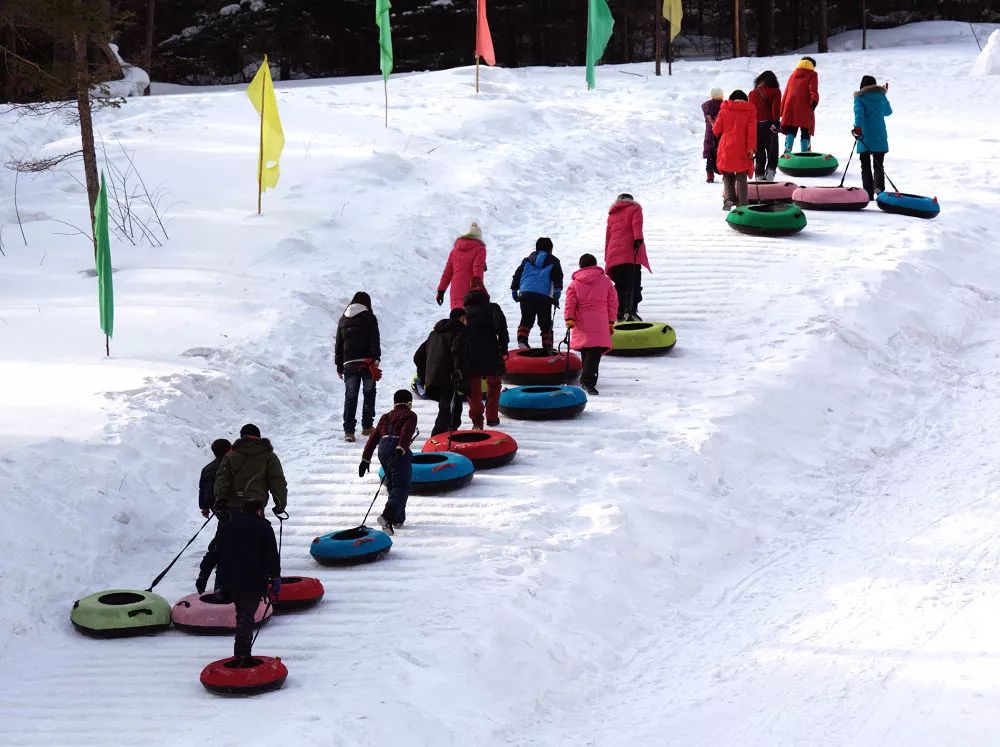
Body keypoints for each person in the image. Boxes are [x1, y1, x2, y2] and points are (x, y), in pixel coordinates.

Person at [215, 500, 280, 659]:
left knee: (242, 613)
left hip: (228, 579)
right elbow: (271, 555)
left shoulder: (226, 526)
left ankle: (242, 651)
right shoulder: (264, 527)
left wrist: (203, 576)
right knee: (246, 615)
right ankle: (242, 654)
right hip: (252, 579)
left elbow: (215, 552)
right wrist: (276, 577)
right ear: (259, 511)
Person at [358, 389, 418, 535]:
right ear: (409, 403)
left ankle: (398, 519)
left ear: (394, 402)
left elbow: (373, 438)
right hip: (398, 448)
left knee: (392, 483)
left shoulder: (386, 416)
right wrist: (401, 447)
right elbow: (407, 431)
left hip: (383, 449)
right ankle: (387, 517)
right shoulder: (410, 415)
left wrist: (365, 459)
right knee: (401, 486)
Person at [564, 254, 618, 396]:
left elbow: (570, 302)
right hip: (600, 321)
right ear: (595, 264)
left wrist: (569, 318)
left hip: (581, 321)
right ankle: (588, 381)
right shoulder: (605, 281)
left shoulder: (574, 284)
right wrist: (611, 321)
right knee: (594, 352)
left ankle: (587, 379)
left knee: (587, 350)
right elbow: (613, 301)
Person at [335, 291, 381, 442]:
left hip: (349, 363)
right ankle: (367, 427)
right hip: (366, 362)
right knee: (369, 393)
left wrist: (339, 366)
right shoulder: (369, 317)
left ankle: (349, 432)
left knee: (350, 396)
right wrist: (376, 358)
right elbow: (374, 339)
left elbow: (339, 345)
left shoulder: (343, 319)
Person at [214, 423, 288, 517]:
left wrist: (220, 500)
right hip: (256, 506)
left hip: (233, 506)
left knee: (232, 531)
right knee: (255, 530)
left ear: (241, 437)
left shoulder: (230, 455)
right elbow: (277, 481)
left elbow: (222, 477)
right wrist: (280, 506)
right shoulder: (268, 455)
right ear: (259, 436)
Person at [413, 307, 468, 435]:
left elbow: (418, 356)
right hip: (449, 377)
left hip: (434, 377)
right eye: (466, 320)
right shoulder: (459, 331)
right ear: (462, 318)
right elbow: (457, 351)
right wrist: (457, 370)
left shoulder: (434, 334)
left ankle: (451, 431)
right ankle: (437, 438)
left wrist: (424, 374)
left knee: (454, 404)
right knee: (446, 408)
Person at [463, 278, 509, 429]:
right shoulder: (493, 308)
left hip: (470, 354)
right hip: (491, 351)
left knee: (473, 387)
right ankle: (492, 417)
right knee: (494, 384)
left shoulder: (464, 312)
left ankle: (477, 421)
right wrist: (503, 347)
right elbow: (501, 328)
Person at [511, 237, 563, 351]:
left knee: (526, 319)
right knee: (545, 323)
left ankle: (522, 341)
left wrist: (514, 289)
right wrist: (557, 291)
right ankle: (548, 346)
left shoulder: (527, 260)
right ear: (550, 250)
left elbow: (517, 275)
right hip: (543, 296)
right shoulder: (554, 261)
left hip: (526, 294)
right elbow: (558, 277)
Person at [604, 193, 650, 322]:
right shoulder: (635, 208)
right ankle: (630, 312)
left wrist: (607, 257)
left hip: (614, 256)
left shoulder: (612, 214)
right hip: (630, 253)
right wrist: (638, 239)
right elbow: (637, 224)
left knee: (620, 285)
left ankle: (618, 313)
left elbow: (608, 238)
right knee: (633, 283)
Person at [195, 437, 232, 594]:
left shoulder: (206, 468)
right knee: (223, 545)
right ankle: (219, 582)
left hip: (216, 508)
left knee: (221, 540)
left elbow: (202, 489)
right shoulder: (229, 466)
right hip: (230, 508)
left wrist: (204, 507)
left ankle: (204, 573)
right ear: (229, 450)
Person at [713, 90, 757, 211]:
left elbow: (716, 130)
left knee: (727, 174)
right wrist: (752, 149)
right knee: (741, 176)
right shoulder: (749, 111)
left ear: (732, 99)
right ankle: (742, 205)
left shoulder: (724, 110)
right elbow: (752, 133)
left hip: (726, 147)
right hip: (742, 148)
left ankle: (729, 198)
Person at [853, 75, 893, 201]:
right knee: (879, 164)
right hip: (879, 135)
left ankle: (868, 192)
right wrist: (884, 95)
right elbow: (888, 112)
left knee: (865, 165)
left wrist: (857, 128)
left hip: (865, 136)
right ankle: (879, 189)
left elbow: (859, 115)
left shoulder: (859, 98)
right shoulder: (881, 96)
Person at [436, 222, 487, 310]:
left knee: (457, 318)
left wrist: (441, 291)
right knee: (471, 318)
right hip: (470, 289)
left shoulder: (454, 251)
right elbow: (477, 270)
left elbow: (447, 273)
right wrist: (479, 289)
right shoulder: (480, 248)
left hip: (455, 289)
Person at [780, 56, 819, 154]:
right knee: (805, 129)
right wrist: (814, 100)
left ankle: (787, 150)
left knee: (792, 128)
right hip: (805, 106)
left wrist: (782, 109)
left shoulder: (793, 74)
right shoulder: (812, 74)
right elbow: (813, 89)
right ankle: (805, 152)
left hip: (791, 106)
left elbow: (786, 91)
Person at [749, 71, 781, 181]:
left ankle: (759, 178)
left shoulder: (752, 93)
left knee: (759, 154)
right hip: (769, 125)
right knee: (773, 153)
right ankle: (770, 177)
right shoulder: (775, 91)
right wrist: (776, 122)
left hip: (755, 127)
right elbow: (775, 108)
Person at [701, 87, 724, 183]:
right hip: (721, 133)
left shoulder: (707, 106)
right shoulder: (723, 106)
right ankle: (725, 174)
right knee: (723, 154)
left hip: (709, 134)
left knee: (710, 154)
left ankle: (710, 175)